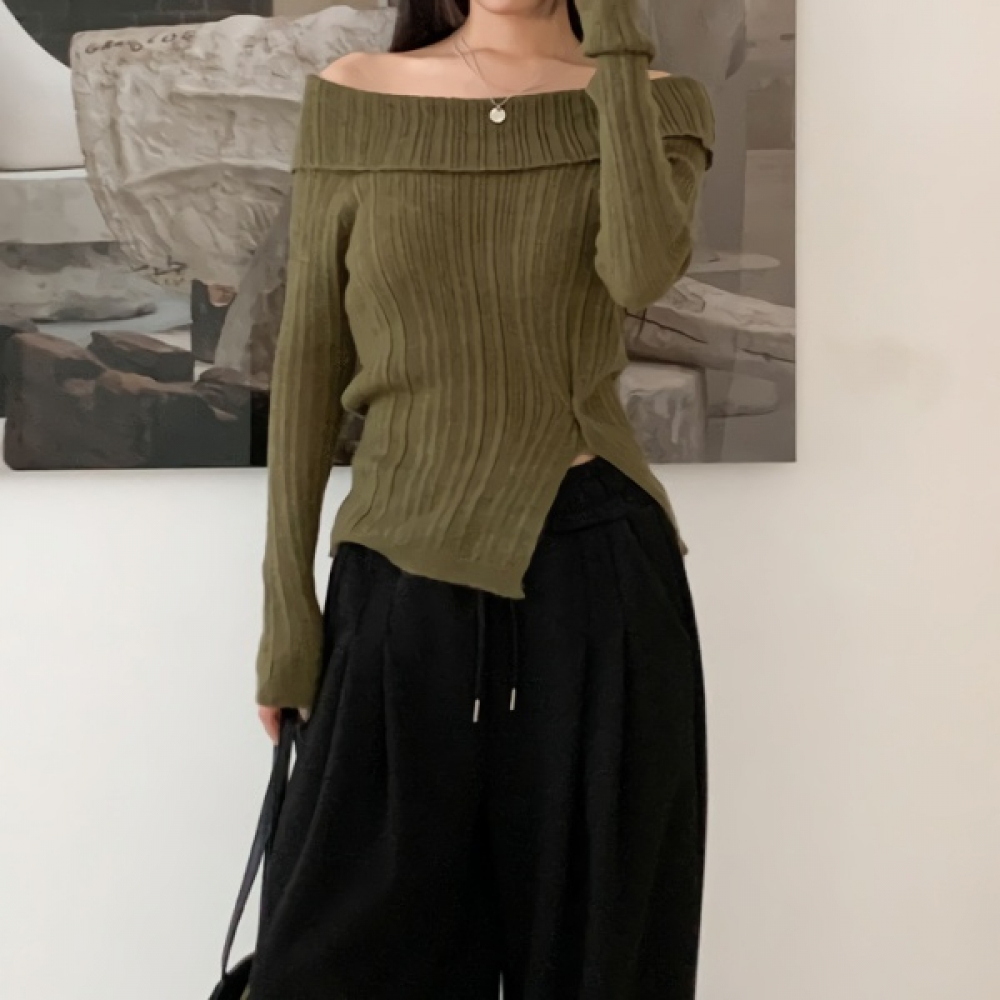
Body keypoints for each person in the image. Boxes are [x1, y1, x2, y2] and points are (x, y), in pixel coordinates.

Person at [246, 1, 715, 998]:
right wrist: (288, 615)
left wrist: (616, 44)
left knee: (599, 959)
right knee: (338, 960)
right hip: (397, 581)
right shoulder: (357, 93)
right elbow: (309, 357)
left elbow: (638, 269)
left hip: (597, 573)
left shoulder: (654, 102)